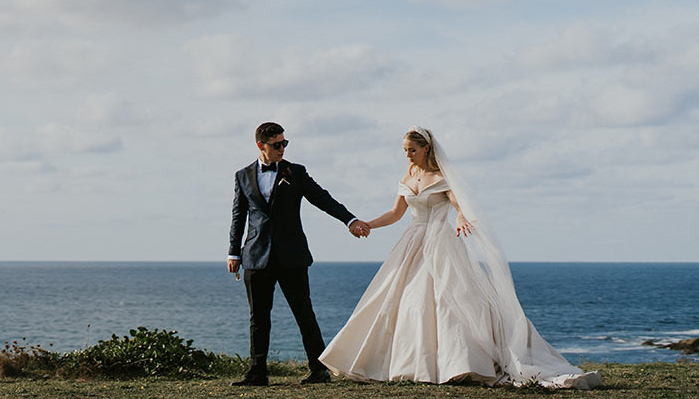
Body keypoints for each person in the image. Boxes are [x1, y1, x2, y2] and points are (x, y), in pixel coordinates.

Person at [319, 127, 601, 389]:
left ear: (426, 149)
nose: (407, 154)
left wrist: (461, 218)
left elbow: (458, 204)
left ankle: (456, 362)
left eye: (412, 150)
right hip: (412, 242)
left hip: (439, 241)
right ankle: (408, 363)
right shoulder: (406, 178)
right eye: (405, 150)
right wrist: (367, 224)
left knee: (446, 300)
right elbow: (396, 214)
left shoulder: (441, 177)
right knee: (401, 299)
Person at [228, 122, 371, 386]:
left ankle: (319, 370)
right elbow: (239, 216)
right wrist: (233, 253)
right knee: (258, 318)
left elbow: (322, 198)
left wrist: (349, 220)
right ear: (261, 145)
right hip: (256, 256)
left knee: (304, 313)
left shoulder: (297, 172)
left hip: (292, 256)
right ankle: (257, 373)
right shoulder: (242, 175)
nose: (282, 148)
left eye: (285, 143)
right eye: (277, 145)